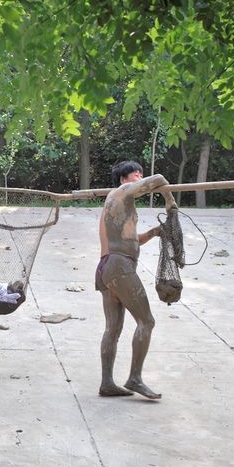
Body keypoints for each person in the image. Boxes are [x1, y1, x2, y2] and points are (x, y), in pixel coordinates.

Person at [95, 160, 176, 399]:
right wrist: (170, 202)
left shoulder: (115, 202)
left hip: (105, 267)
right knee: (146, 322)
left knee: (113, 329)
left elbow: (131, 240)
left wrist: (153, 233)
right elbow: (159, 178)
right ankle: (134, 378)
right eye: (134, 174)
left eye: (141, 173)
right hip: (119, 266)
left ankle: (107, 383)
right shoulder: (122, 191)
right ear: (123, 179)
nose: (140, 176)